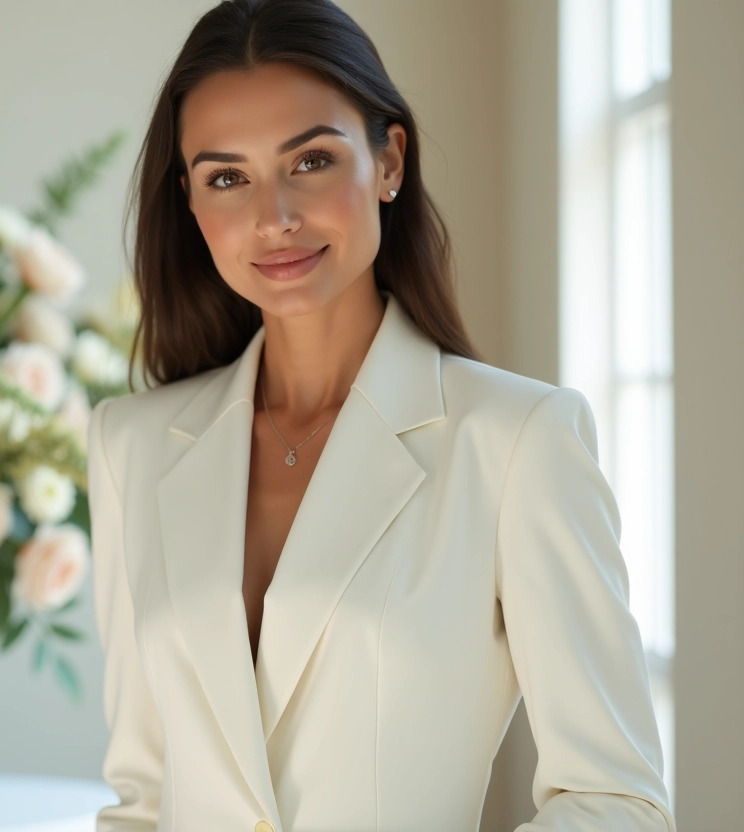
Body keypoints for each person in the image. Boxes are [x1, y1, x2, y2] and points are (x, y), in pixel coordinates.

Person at [85, 0, 676, 830]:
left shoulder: (516, 442)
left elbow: (620, 802)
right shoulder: (130, 447)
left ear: (389, 159)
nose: (275, 216)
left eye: (312, 161)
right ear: (188, 201)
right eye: (228, 177)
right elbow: (144, 801)